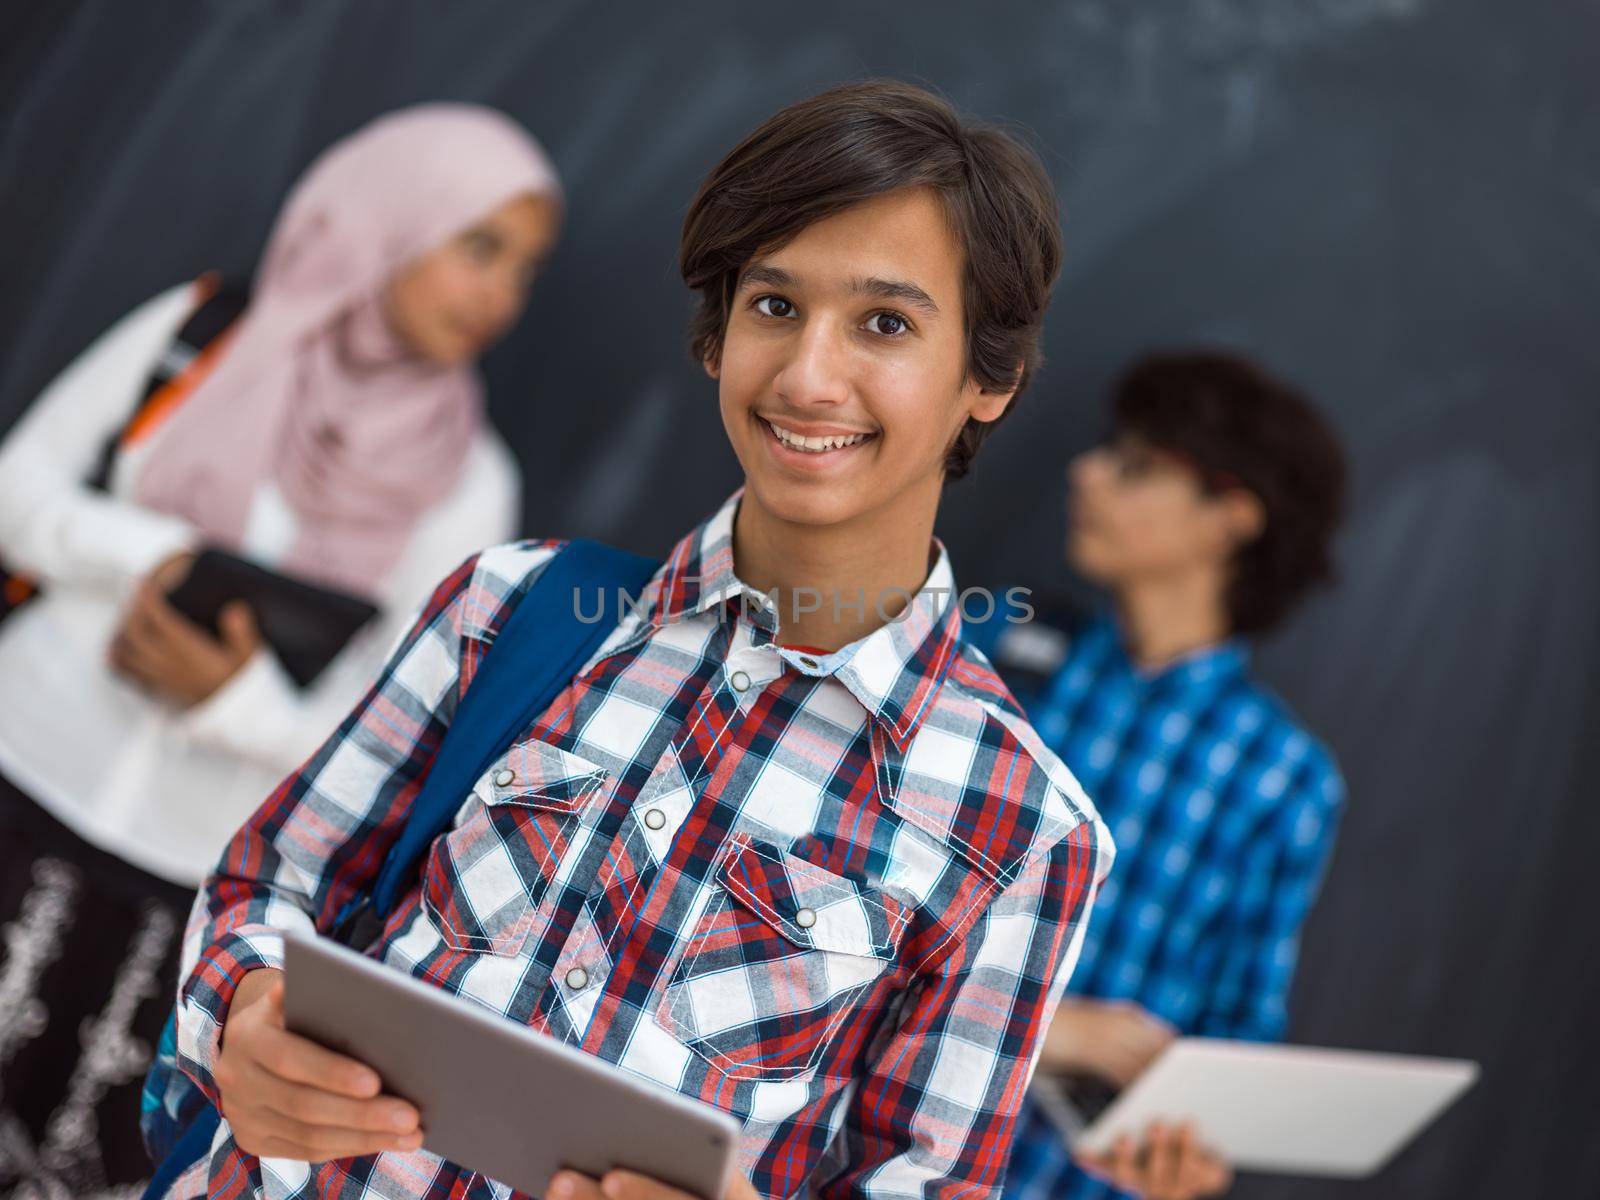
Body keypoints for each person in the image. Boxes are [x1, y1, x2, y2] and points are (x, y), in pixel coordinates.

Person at [154, 80, 1115, 1200]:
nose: (807, 375)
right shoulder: (507, 609)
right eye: (772, 307)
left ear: (988, 379)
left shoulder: (1023, 829)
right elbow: (267, 889)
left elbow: (932, 1181)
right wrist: (241, 1015)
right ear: (715, 335)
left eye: (886, 324)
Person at [0, 103, 562, 1194]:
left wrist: (229, 699)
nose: (495, 297)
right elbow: (17, 491)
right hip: (22, 776)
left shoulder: (467, 482)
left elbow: (405, 738)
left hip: (184, 888)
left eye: (523, 272)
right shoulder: (200, 333)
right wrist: (154, 557)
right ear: (389, 218)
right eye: (479, 247)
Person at [975, 351, 1348, 1200]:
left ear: (1230, 518)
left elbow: (1237, 1026)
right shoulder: (1000, 651)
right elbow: (878, 906)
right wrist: (1041, 1029)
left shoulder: (1282, 779)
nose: (1088, 472)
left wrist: (1196, 1150)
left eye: (1135, 467)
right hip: (886, 1147)